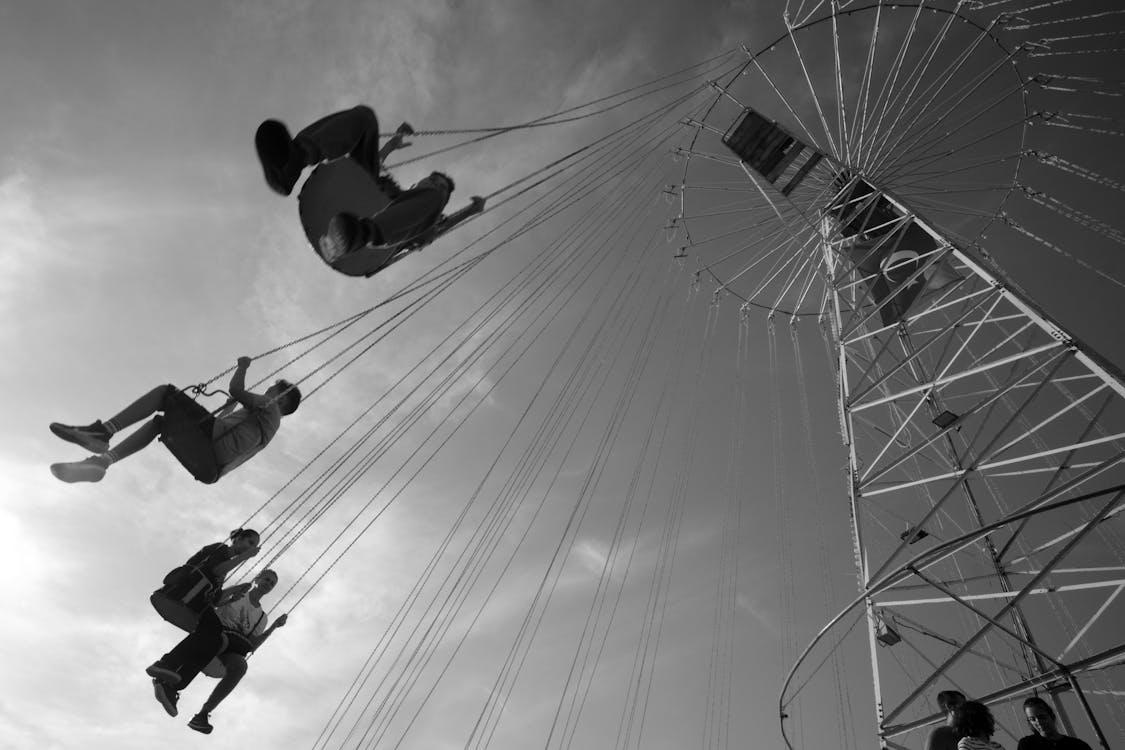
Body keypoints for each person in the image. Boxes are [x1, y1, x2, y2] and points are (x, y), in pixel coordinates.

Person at [254, 105, 483, 265]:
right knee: (365, 119)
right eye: (434, 180)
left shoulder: (426, 214)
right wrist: (393, 143)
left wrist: (472, 209)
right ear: (421, 180)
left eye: (442, 187)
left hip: (373, 241)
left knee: (430, 202)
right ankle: (295, 159)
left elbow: (443, 225)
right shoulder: (393, 191)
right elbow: (370, 165)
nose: (435, 185)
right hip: (354, 198)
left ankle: (362, 233)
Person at [48, 356, 300, 484]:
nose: (267, 391)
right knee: (160, 423)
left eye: (273, 388)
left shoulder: (270, 408)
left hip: (209, 444)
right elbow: (226, 429)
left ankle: (103, 432)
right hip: (209, 466)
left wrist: (243, 366)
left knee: (165, 393)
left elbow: (236, 389)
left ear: (281, 396)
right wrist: (228, 409)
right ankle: (103, 462)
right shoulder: (267, 425)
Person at [186, 570, 289, 734]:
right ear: (257, 578)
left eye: (272, 583)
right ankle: (176, 678)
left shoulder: (262, 617)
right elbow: (215, 602)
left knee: (241, 666)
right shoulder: (240, 593)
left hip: (230, 647)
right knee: (219, 640)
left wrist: (274, 627)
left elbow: (253, 645)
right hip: (213, 633)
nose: (268, 584)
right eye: (266, 579)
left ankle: (203, 714)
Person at [1017, 697, 1093, 750]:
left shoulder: (1078, 746)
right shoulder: (1027, 744)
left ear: (1052, 716)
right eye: (1032, 719)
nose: (1038, 722)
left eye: (1041, 717)